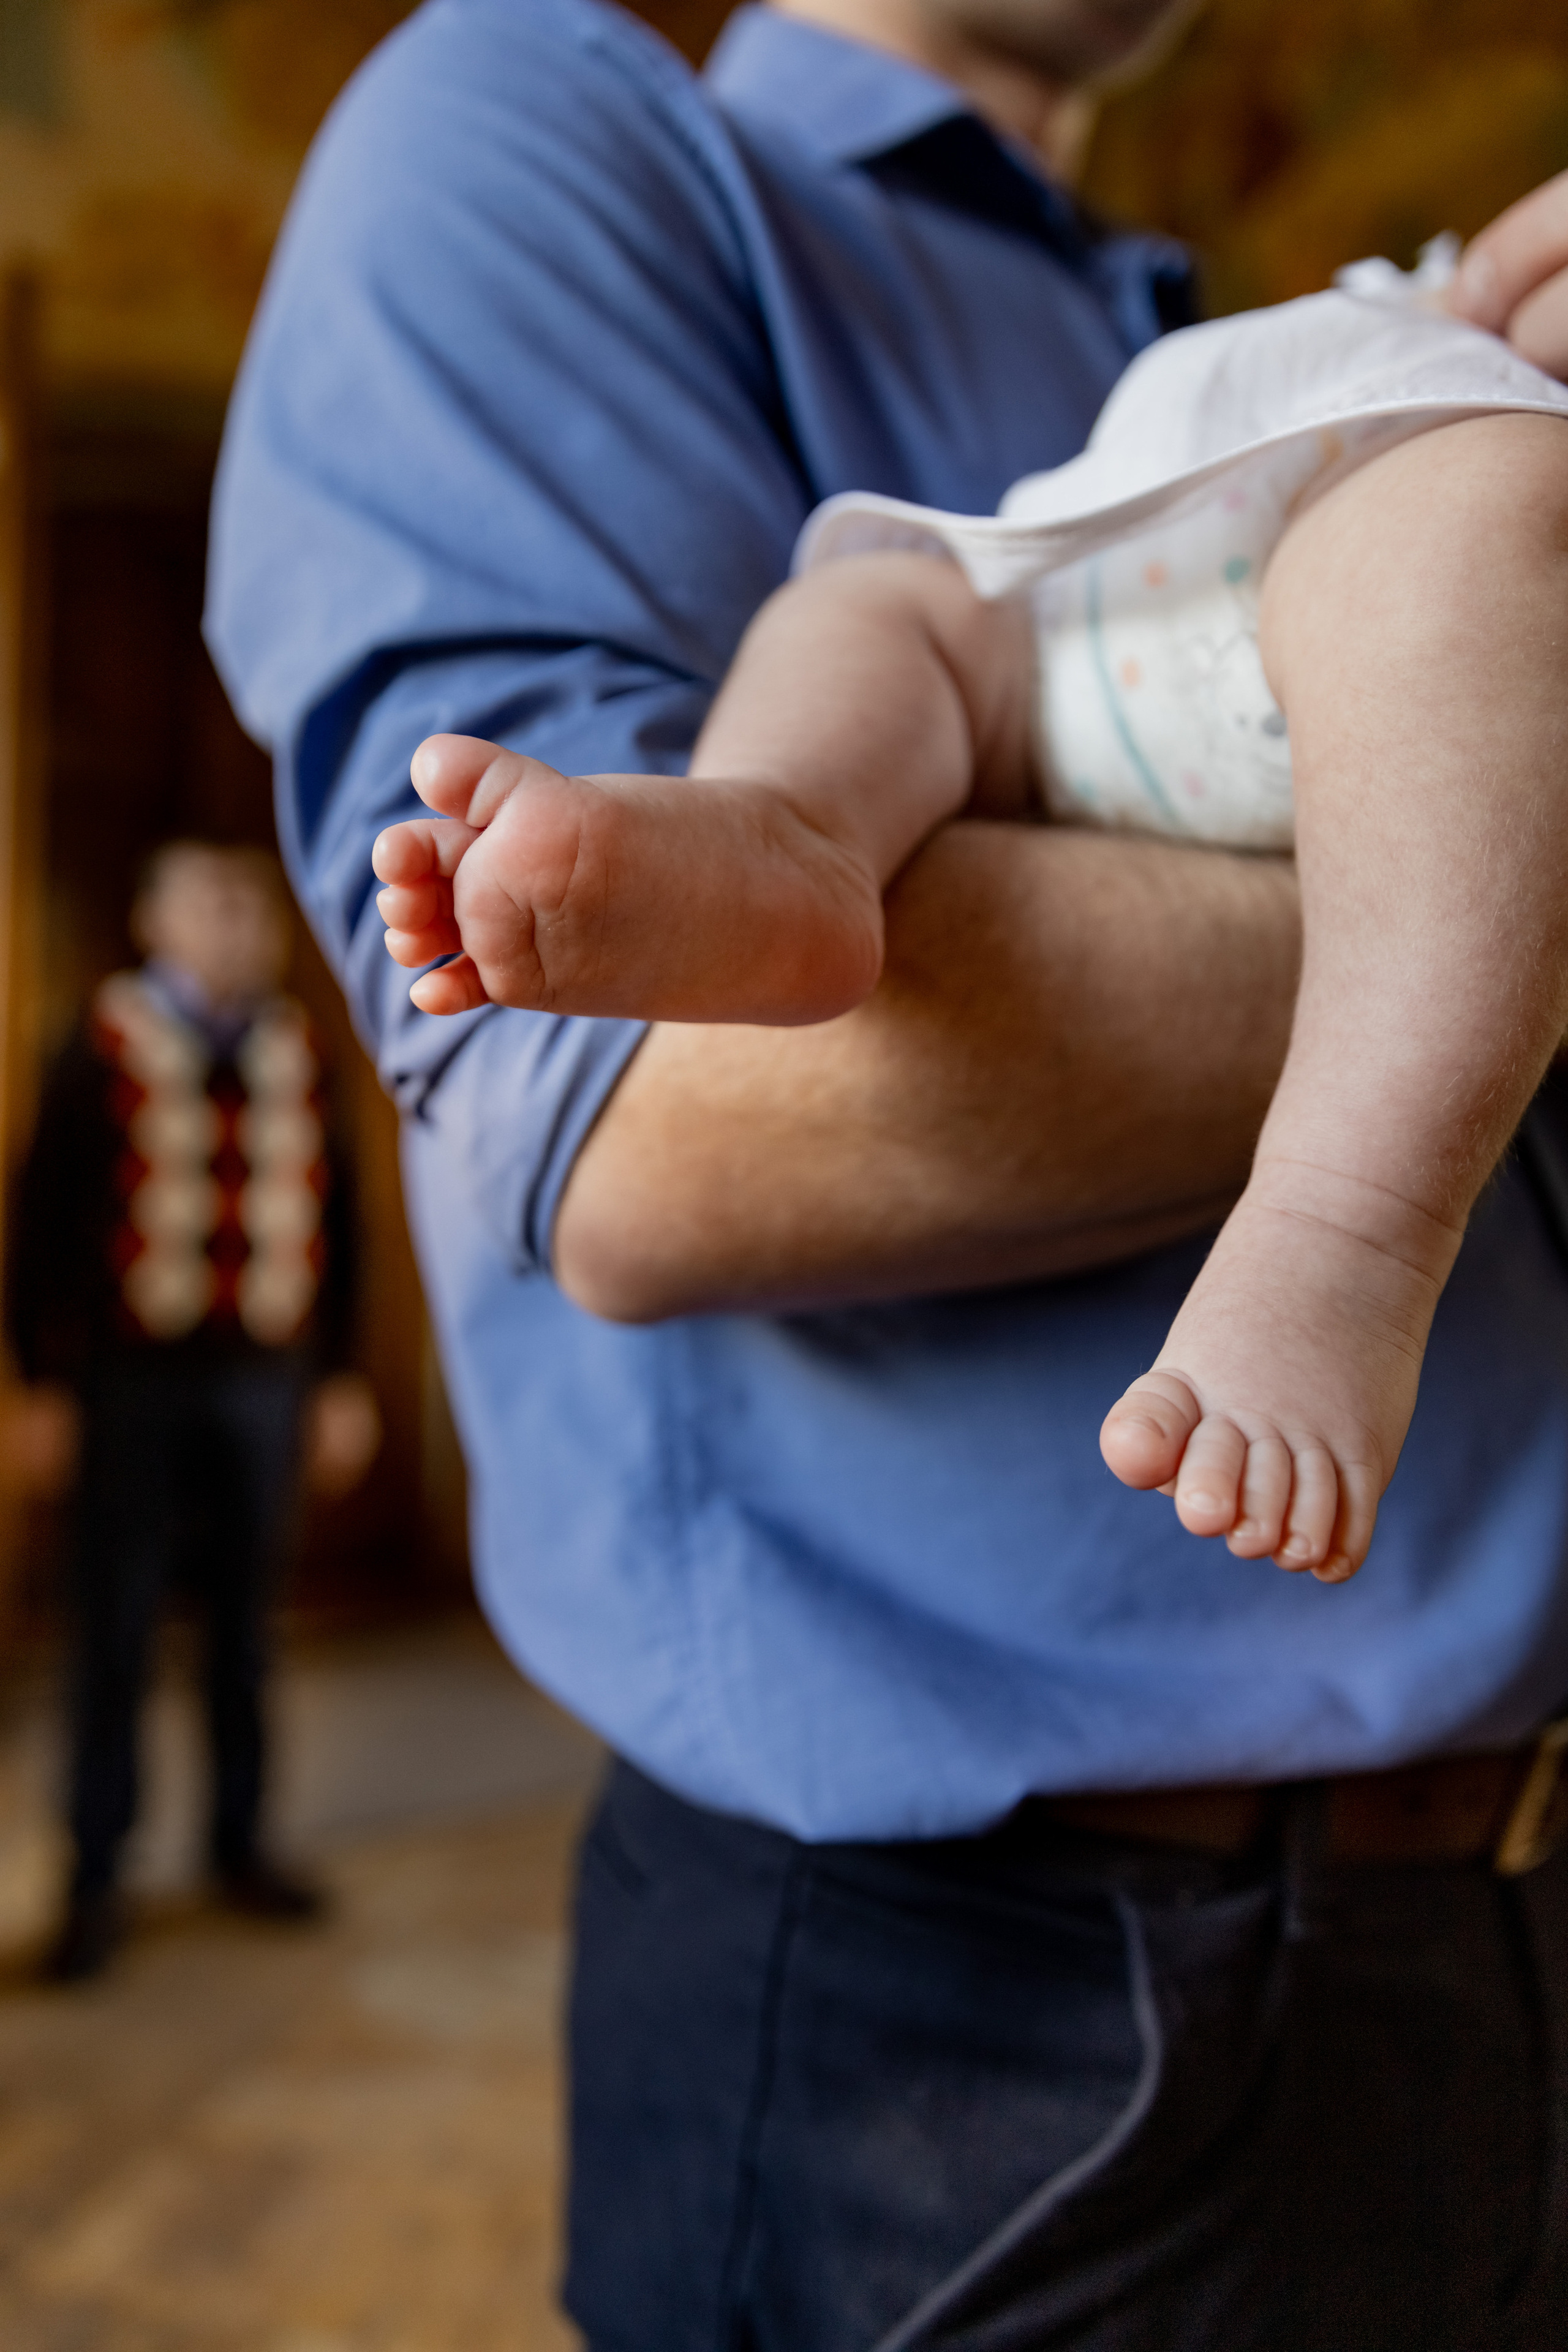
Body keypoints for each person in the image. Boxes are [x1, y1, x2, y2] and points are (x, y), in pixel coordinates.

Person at [206, 0, 1568, 2341]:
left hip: (1488, 1925)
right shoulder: (552, 126)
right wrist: (1497, 894)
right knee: (891, 609)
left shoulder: (1165, 290)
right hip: (1009, 2011)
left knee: (1358, 555)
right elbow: (633, 1126)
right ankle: (806, 853)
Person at [372, 268, 1568, 1586]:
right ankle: (790, 829)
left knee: (1464, 528)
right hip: (1120, 601)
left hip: (1421, 546)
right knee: (878, 604)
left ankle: (1346, 1221)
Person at [7, 842, 380, 1983]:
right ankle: (96, 1874)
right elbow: (42, 1214)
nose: (235, 925)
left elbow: (343, 1217)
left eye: (249, 907)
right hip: (132, 1378)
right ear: (154, 922)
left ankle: (240, 1842)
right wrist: (37, 1381)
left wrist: (339, 1377)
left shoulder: (295, 1046)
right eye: (210, 905)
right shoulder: (100, 1044)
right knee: (115, 1626)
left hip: (263, 1375)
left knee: (246, 1624)